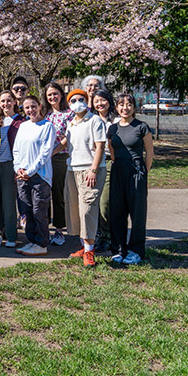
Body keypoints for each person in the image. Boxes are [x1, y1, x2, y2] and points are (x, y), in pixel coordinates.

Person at [107, 93, 154, 265]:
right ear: (116, 107)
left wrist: (143, 173)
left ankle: (136, 250)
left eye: (128, 104)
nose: (125, 107)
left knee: (137, 212)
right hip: (118, 171)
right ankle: (118, 249)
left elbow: (149, 153)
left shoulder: (142, 127)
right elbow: (112, 152)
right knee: (117, 212)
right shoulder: (112, 128)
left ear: (134, 107)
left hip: (136, 171)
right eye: (121, 104)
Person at [64, 88, 107, 268]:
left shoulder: (95, 120)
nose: (77, 103)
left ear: (87, 101)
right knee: (75, 208)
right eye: (73, 100)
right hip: (72, 169)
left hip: (89, 171)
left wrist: (93, 170)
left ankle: (90, 250)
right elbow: (65, 143)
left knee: (88, 209)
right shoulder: (71, 123)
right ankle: (83, 245)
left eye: (80, 99)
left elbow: (100, 146)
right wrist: (48, 153)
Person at [13, 95, 56, 256]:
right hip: (22, 174)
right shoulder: (23, 126)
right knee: (26, 209)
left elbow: (45, 154)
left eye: (33, 106)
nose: (30, 110)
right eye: (27, 108)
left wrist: (30, 171)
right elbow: (16, 150)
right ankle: (31, 241)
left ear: (39, 106)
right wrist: (18, 169)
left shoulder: (47, 126)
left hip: (40, 176)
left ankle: (42, 243)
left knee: (39, 211)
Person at [0, 90, 25, 248]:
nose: (5, 104)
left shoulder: (21, 122)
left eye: (8, 101)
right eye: (2, 101)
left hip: (10, 164)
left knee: (9, 201)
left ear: (15, 102)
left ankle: (11, 235)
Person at [42, 81, 73, 246]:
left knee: (58, 194)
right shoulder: (45, 115)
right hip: (44, 160)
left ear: (61, 94)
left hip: (60, 157)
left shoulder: (69, 114)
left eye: (55, 94)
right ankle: (44, 227)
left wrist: (53, 151)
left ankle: (59, 229)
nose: (53, 97)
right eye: (49, 95)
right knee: (44, 193)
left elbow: (69, 137)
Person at [92, 89, 117, 253]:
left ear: (109, 100)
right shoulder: (91, 119)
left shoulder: (115, 120)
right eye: (96, 101)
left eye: (103, 100)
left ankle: (106, 237)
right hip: (92, 163)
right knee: (93, 201)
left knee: (105, 203)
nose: (100, 104)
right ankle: (95, 234)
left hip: (109, 162)